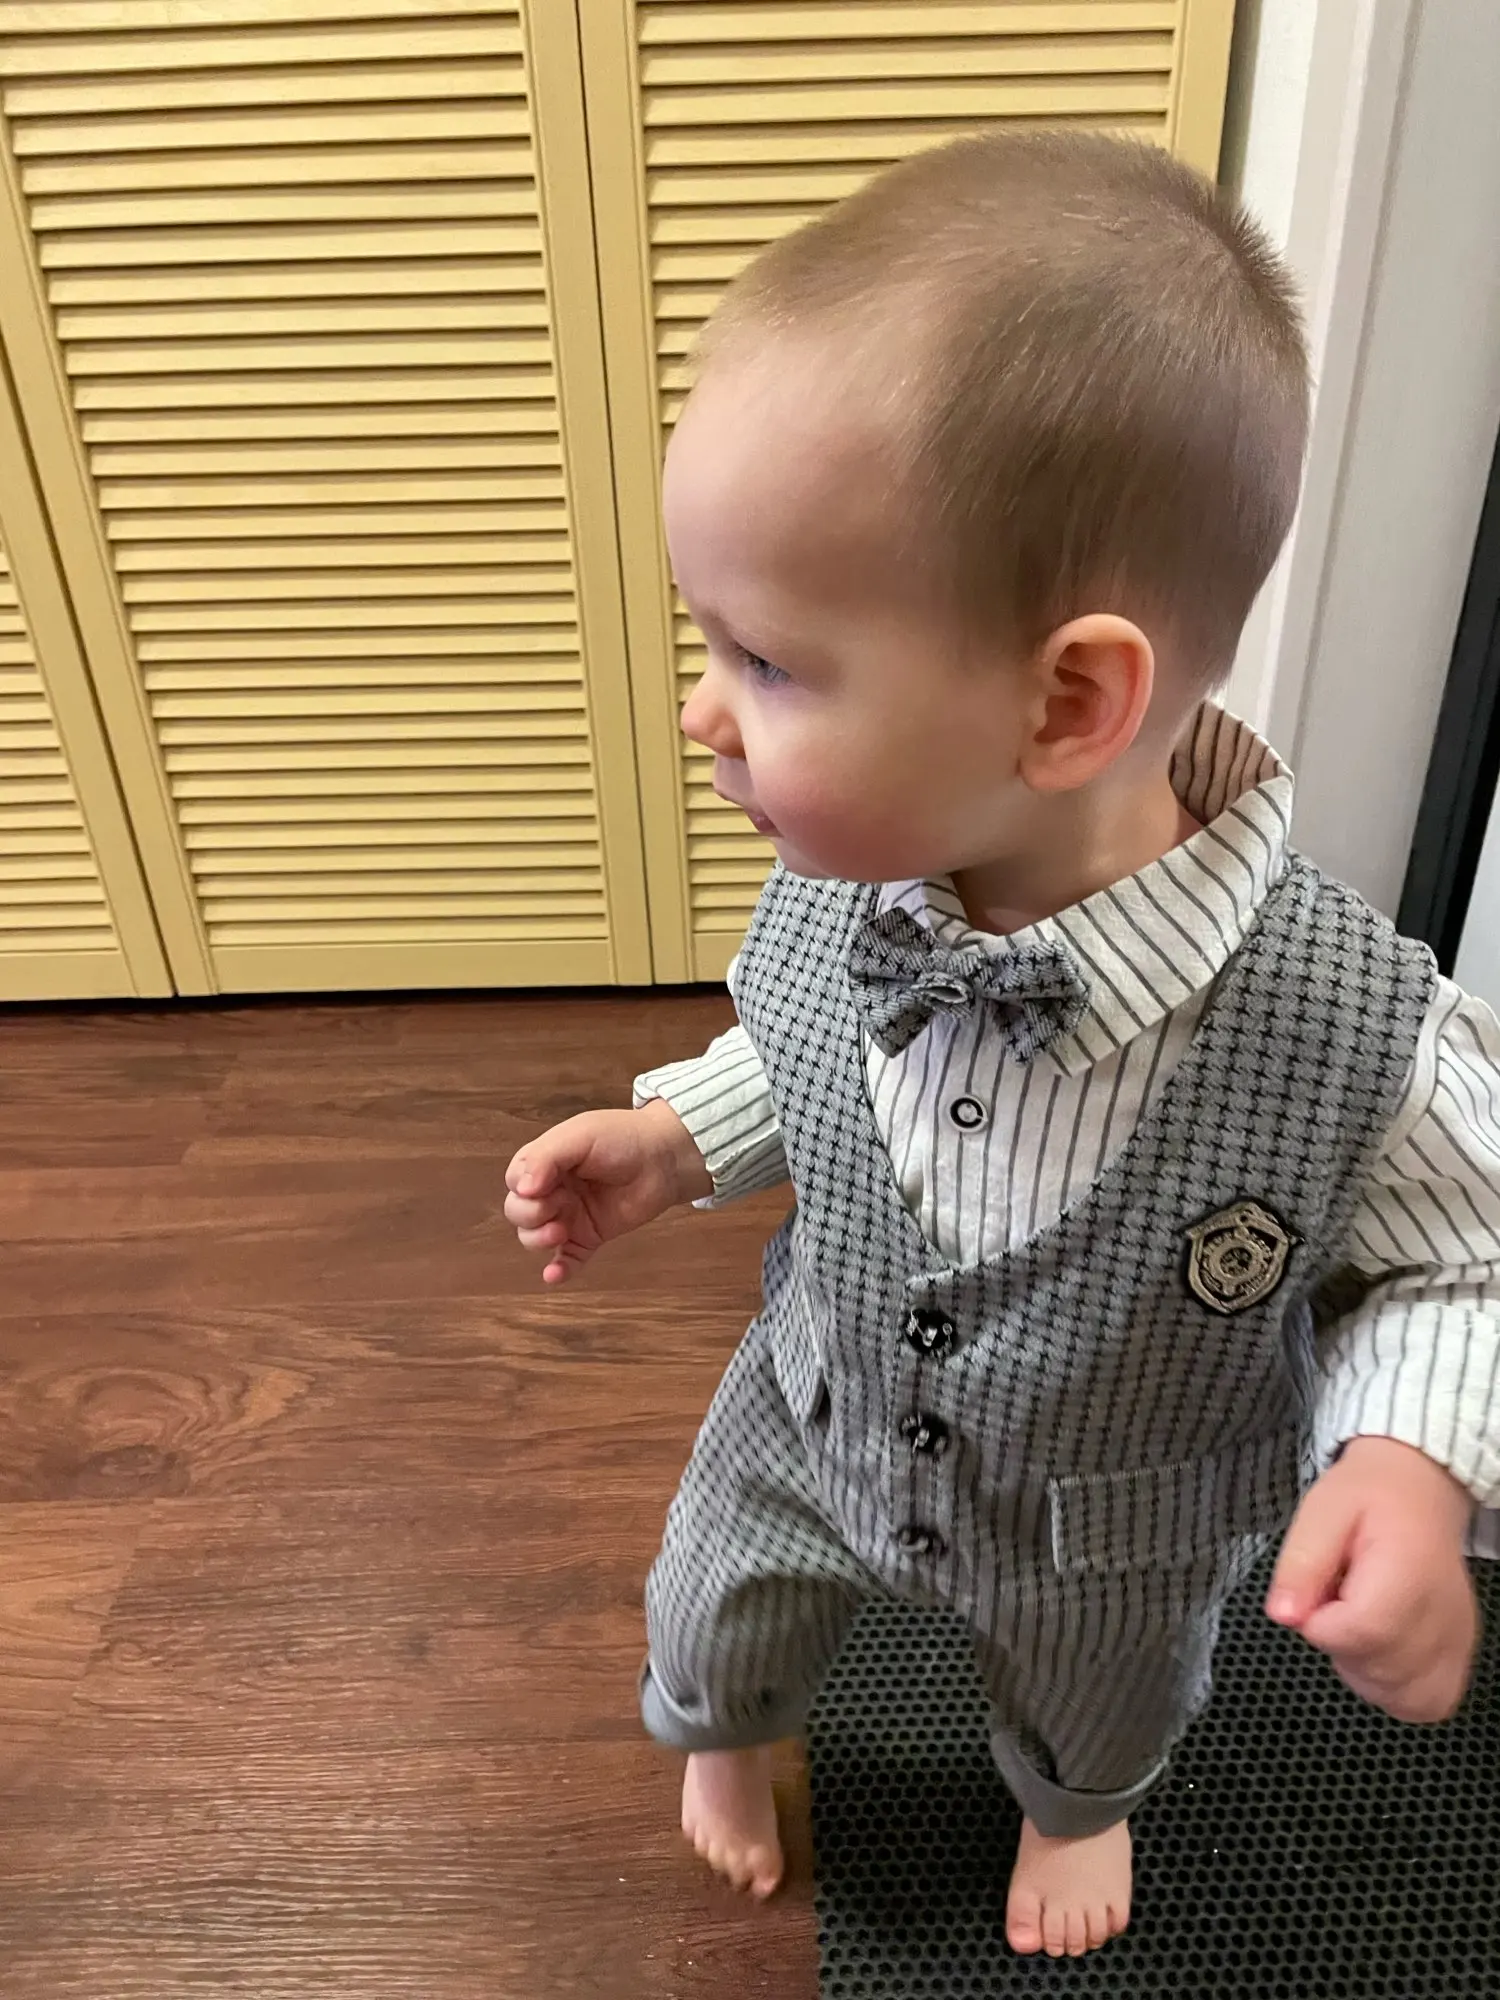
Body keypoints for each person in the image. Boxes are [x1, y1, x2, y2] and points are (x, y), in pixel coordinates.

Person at [504, 132, 1500, 1961]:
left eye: (768, 662)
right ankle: (727, 1730)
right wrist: (677, 1140)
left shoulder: (1362, 1031)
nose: (702, 711)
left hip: (1113, 1517)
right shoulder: (853, 891)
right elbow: (817, 1058)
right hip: (818, 1403)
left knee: (1104, 1697)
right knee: (715, 1592)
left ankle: (1073, 1809)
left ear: (1068, 701)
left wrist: (1407, 1463)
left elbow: (1461, 1262)